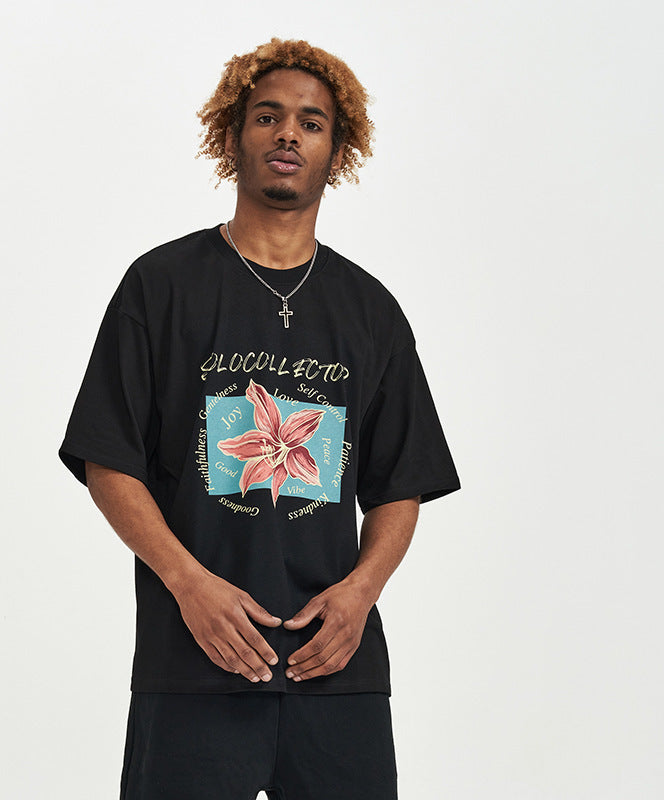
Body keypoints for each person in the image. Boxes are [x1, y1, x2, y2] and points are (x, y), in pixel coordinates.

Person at [59, 37, 461, 800]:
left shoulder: (371, 311)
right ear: (232, 135)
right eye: (267, 116)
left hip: (335, 672)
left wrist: (360, 595)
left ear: (336, 151)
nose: (288, 134)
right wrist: (187, 584)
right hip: (192, 666)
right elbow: (109, 459)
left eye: (311, 123)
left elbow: (399, 484)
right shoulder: (160, 286)